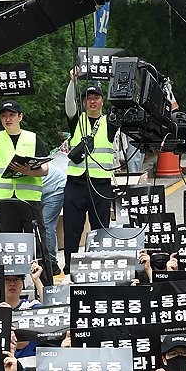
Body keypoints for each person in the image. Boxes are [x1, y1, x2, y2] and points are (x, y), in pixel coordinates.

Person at [62, 76, 116, 274]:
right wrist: (72, 83)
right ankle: (70, 268)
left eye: (96, 97)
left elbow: (122, 106)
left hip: (100, 184)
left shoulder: (109, 122)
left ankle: (100, 266)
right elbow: (68, 104)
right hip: (75, 183)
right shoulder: (77, 120)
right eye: (88, 98)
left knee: (100, 229)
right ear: (84, 102)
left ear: (102, 100)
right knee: (72, 229)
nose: (92, 101)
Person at [0, 100, 51, 269]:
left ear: (20, 117)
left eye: (11, 115)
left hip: (29, 199)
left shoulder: (32, 137)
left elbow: (45, 168)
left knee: (39, 244)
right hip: (5, 199)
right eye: (3, 116)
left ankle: (47, 288)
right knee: (10, 246)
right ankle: (15, 288)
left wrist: (30, 172)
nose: (7, 119)